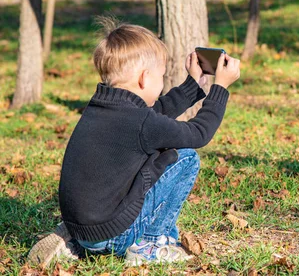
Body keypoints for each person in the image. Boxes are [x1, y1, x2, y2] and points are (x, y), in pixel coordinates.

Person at [28, 19, 240, 267]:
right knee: (185, 157)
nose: (162, 84)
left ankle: (75, 242)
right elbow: (199, 133)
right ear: (143, 78)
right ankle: (149, 245)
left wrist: (193, 86)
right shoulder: (141, 123)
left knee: (151, 155)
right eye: (161, 77)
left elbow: (154, 115)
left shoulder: (101, 106)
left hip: (85, 225)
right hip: (112, 234)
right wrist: (220, 88)